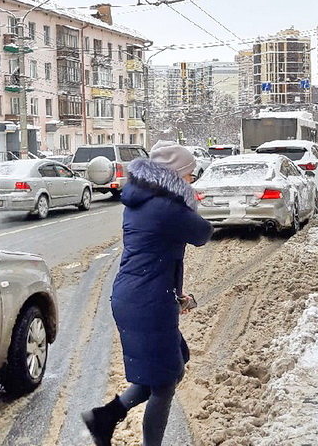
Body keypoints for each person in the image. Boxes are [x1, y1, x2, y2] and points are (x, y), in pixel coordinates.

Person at [82, 141, 213, 446]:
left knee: (169, 367)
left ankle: (104, 417)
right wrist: (189, 202)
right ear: (174, 176)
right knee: (164, 382)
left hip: (140, 296)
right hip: (147, 301)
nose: (192, 180)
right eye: (189, 175)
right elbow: (202, 233)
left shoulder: (145, 199)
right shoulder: (165, 207)